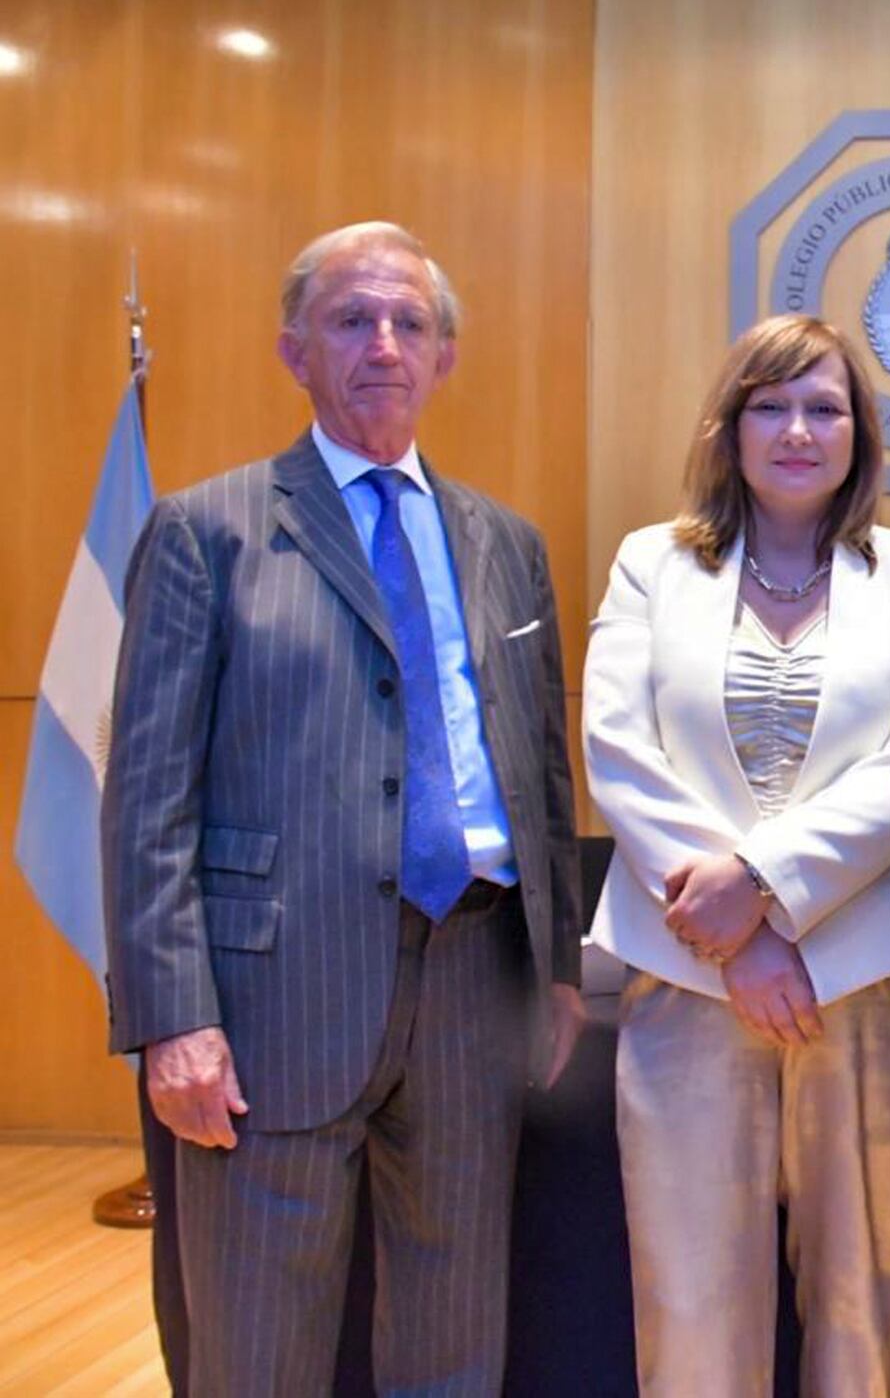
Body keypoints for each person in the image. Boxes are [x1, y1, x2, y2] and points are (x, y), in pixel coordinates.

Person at [102, 221, 586, 1395]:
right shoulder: (207, 532)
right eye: (350, 320)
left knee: (453, 1338)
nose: (383, 344)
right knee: (257, 1342)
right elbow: (146, 797)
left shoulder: (505, 543)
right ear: (293, 350)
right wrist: (174, 1016)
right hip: (274, 996)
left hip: (475, 978)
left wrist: (559, 962)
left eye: (409, 322)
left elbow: (538, 766)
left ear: (444, 354)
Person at [583, 314, 890, 1396]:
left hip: (859, 982)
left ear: (860, 434)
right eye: (772, 404)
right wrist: (736, 941)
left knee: (859, 1308)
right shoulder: (651, 565)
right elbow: (618, 750)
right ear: (731, 424)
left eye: (825, 407)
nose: (798, 429)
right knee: (692, 1304)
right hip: (687, 979)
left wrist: (765, 890)